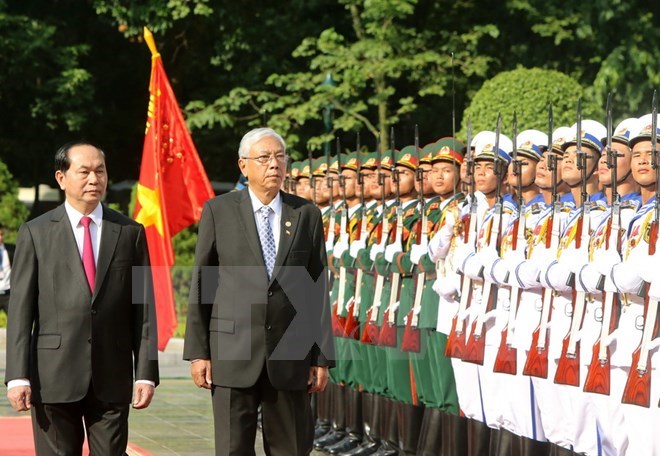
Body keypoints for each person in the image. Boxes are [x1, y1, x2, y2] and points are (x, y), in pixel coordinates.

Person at [183, 127, 335, 455]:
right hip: (232, 352)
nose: (274, 165)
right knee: (232, 447)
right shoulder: (219, 211)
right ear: (243, 166)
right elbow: (203, 282)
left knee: (291, 448)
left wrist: (320, 356)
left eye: (280, 157)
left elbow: (317, 287)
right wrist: (199, 351)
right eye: (264, 158)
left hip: (290, 354)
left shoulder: (306, 214)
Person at [4, 141, 159, 455]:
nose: (94, 179)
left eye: (100, 171)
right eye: (84, 172)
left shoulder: (130, 232)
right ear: (61, 178)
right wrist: (17, 376)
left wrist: (146, 373)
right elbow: (21, 310)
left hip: (112, 376)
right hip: (53, 377)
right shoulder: (36, 233)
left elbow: (143, 310)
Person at [0, 224, 13, 315]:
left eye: (1, 234)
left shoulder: (11, 250)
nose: (0, 237)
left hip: (8, 295)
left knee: (15, 320)